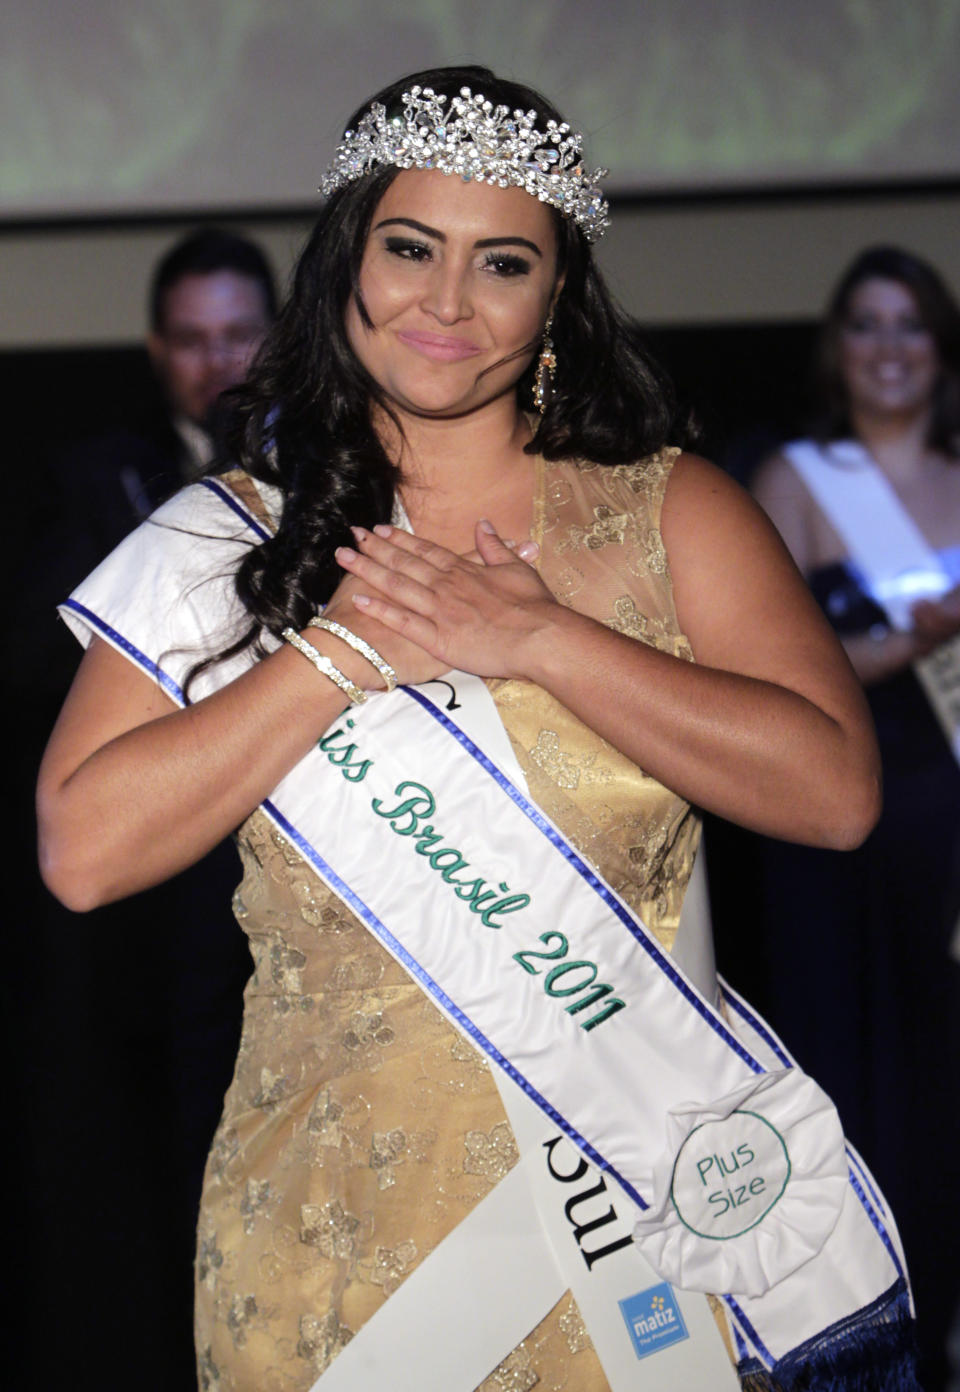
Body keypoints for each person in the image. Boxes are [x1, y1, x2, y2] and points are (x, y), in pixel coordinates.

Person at [37, 70, 918, 1392]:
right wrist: (334, 653)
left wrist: (541, 639)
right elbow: (83, 852)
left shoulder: (672, 510)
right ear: (348, 262)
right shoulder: (226, 539)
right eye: (410, 249)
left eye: (501, 263)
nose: (446, 303)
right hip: (330, 1238)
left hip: (633, 1219)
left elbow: (838, 792)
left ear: (555, 295)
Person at [752, 244, 960, 1390]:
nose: (890, 350)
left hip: (949, 825)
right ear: (839, 349)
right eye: (868, 327)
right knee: (847, 1081)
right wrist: (907, 642)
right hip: (839, 830)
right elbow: (774, 664)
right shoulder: (797, 475)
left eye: (912, 326)